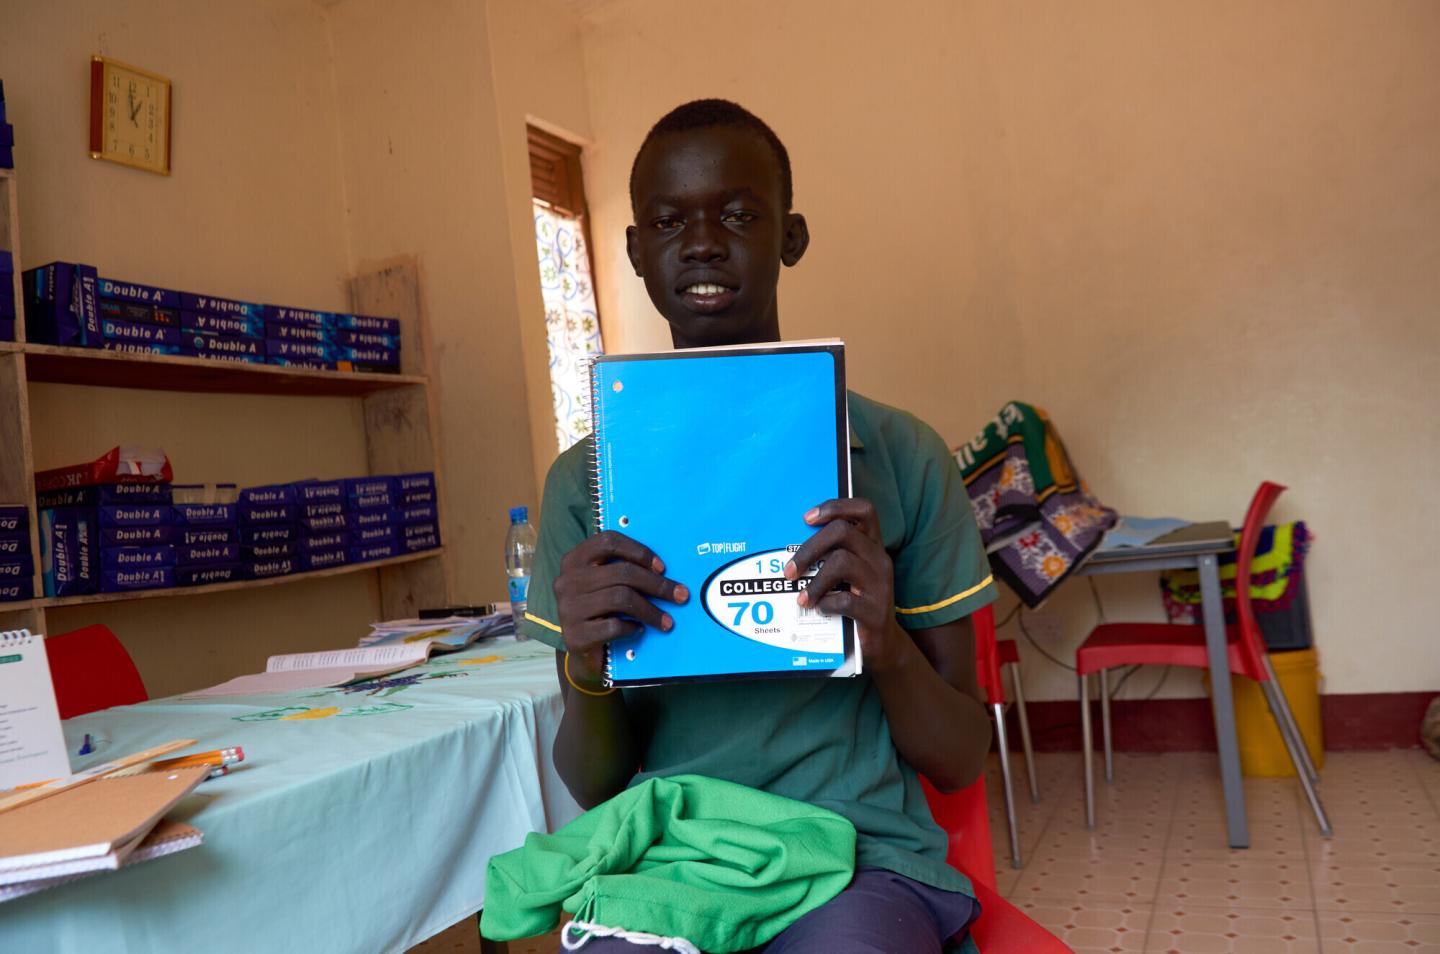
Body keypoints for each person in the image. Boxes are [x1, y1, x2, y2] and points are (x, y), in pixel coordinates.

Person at [518, 99, 997, 953]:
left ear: (792, 236)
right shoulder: (587, 484)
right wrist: (588, 666)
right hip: (668, 854)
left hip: (863, 856)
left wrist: (882, 641)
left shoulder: (900, 454)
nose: (702, 242)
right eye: (668, 221)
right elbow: (596, 785)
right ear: (634, 251)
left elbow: (961, 758)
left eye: (739, 214)